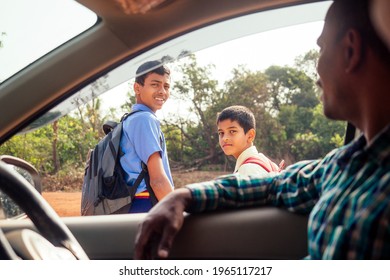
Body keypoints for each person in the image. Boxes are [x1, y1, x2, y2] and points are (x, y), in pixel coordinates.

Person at [134, 0, 390, 259]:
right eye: (221, 133)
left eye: (321, 49)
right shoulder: (342, 164)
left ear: (351, 50)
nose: (316, 69)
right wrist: (185, 196)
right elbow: (272, 185)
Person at [119, 60, 174, 213]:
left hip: (136, 203)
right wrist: (179, 210)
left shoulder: (130, 119)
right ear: (137, 88)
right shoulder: (144, 119)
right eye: (155, 84)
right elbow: (157, 181)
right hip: (146, 204)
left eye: (166, 86)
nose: (162, 91)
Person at [216, 105, 283, 176]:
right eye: (221, 133)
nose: (224, 138)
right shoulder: (266, 162)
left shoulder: (247, 170)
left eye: (232, 131)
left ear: (250, 135)